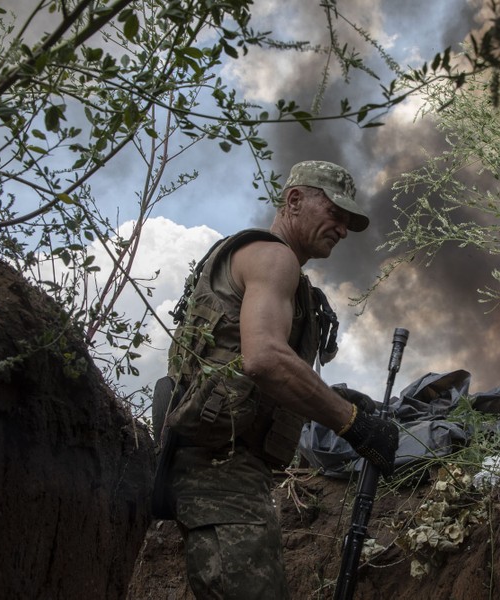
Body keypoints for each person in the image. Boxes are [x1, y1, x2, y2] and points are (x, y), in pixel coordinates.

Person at [157, 160, 399, 599]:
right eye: (335, 214)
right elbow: (264, 359)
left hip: (223, 472)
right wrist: (352, 423)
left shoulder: (262, 262)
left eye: (348, 221)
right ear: (294, 200)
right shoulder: (274, 258)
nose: (342, 229)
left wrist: (337, 397)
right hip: (221, 474)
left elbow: (250, 369)